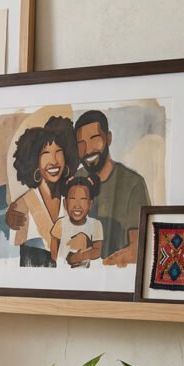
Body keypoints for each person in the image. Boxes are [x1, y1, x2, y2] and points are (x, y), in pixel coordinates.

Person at [74, 110, 151, 266]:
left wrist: (105, 266)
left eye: (94, 139)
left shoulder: (133, 183)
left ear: (108, 138)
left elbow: (139, 248)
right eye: (81, 144)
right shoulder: (77, 179)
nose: (87, 150)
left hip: (118, 276)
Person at [4, 115, 80, 267]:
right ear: (34, 162)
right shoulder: (21, 206)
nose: (53, 161)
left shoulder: (72, 202)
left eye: (58, 152)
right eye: (45, 154)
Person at [50, 173, 103, 267]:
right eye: (72, 199)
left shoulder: (95, 224)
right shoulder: (60, 224)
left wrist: (77, 257)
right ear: (65, 203)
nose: (77, 205)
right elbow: (53, 255)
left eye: (83, 199)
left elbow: (97, 251)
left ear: (90, 204)